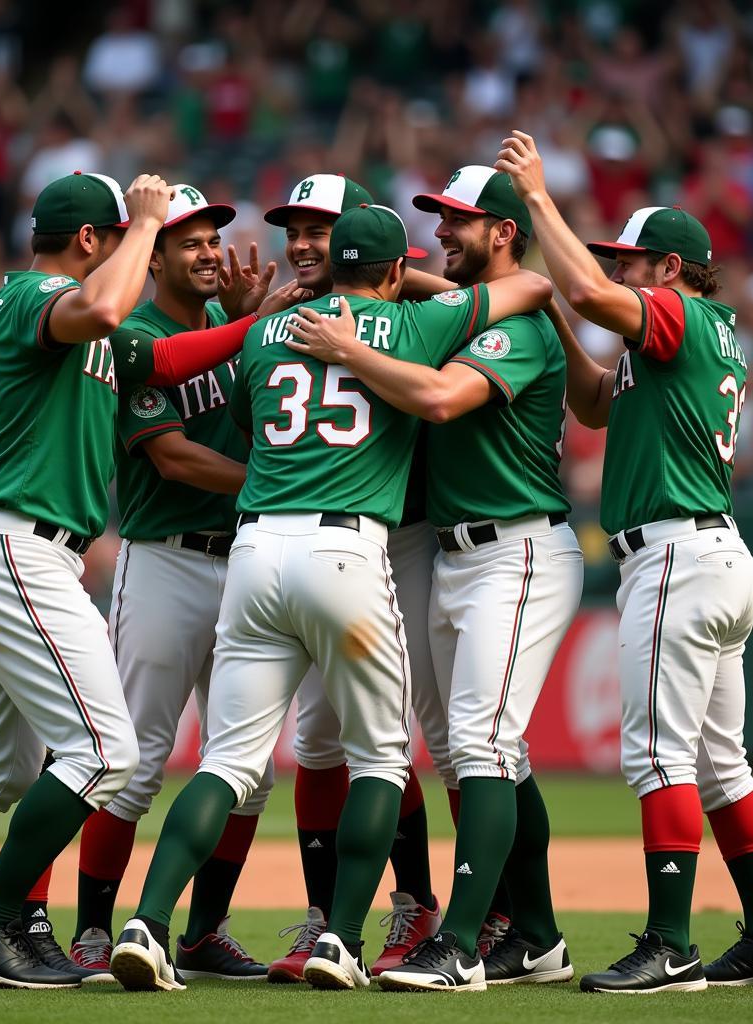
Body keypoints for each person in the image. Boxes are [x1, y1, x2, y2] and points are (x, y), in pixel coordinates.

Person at [0, 171, 283, 989]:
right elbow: (106, 308)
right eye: (119, 237)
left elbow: (169, 355)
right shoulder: (35, 294)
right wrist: (146, 225)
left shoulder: (83, 319)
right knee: (107, 750)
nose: (132, 253)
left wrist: (250, 318)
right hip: (13, 550)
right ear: (89, 240)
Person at [106, 203, 552, 994]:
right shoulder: (412, 326)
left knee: (227, 761)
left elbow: (247, 418)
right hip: (346, 549)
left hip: (252, 551)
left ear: (325, 260)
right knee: (379, 757)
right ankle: (340, 938)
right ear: (391, 272)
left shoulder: (265, 331)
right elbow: (529, 289)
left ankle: (147, 921)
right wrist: (410, 297)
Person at [496, 130, 753, 992]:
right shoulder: (670, 339)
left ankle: (671, 945)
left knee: (659, 757)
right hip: (709, 551)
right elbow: (595, 404)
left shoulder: (682, 315)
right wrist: (560, 320)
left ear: (671, 269)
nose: (624, 272)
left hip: (676, 554)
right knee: (721, 764)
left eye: (636, 261)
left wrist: (537, 199)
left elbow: (595, 292)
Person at [287, 165, 579, 992]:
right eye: (439, 219)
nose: (443, 232)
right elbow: (420, 288)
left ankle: (458, 944)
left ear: (504, 232)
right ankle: (540, 937)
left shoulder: (515, 326)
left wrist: (346, 344)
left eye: (459, 220)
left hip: (516, 548)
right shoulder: (460, 304)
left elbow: (445, 400)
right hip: (459, 552)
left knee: (482, 747)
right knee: (479, 754)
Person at [58, 185, 294, 980]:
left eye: (211, 238)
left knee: (250, 768)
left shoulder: (235, 333)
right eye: (187, 239)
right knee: (135, 759)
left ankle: (204, 931)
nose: (204, 251)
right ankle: (94, 929)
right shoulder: (138, 334)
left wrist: (247, 326)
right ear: (150, 253)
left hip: (246, 564)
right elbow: (171, 454)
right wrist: (275, 479)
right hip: (164, 560)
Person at [258, 174, 449, 981]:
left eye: (322, 230)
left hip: (401, 535)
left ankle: (419, 905)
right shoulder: (278, 320)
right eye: (296, 229)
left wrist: (403, 274)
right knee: (317, 738)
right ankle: (322, 917)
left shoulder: (402, 312)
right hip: (319, 543)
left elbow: (501, 297)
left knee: (411, 732)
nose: (305, 243)